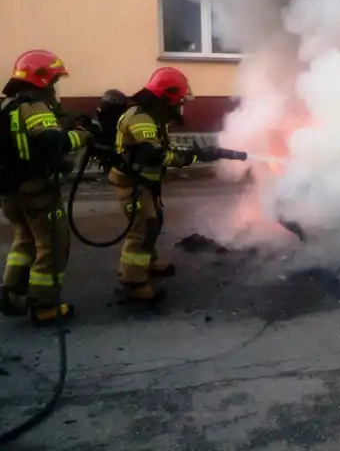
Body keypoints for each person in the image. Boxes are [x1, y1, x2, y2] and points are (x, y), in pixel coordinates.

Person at [109, 67, 218, 304]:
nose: (181, 103)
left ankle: (147, 263)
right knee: (142, 229)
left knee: (154, 221)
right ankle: (133, 283)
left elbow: (162, 145)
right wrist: (189, 158)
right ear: (166, 95)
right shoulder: (141, 119)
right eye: (179, 97)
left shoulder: (152, 116)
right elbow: (155, 155)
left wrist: (195, 151)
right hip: (133, 183)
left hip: (145, 182)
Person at [0, 49, 93, 324]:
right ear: (42, 81)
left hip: (11, 193)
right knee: (52, 245)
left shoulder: (7, 106)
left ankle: (12, 292)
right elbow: (53, 142)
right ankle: (43, 305)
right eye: (53, 82)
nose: (54, 88)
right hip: (37, 191)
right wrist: (82, 136)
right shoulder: (35, 107)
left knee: (26, 239)